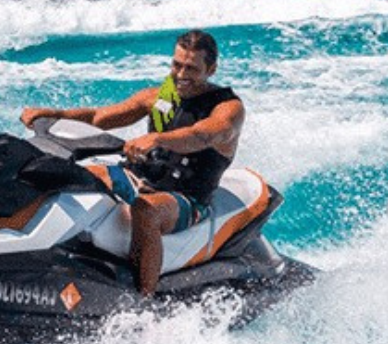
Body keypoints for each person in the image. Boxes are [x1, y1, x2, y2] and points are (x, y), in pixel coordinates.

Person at [17, 29, 244, 297]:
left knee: (146, 211)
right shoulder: (161, 97)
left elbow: (202, 135)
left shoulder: (228, 109)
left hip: (186, 197)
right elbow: (100, 116)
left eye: (191, 68)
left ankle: (143, 301)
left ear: (212, 69)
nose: (181, 75)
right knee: (69, 175)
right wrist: (53, 114)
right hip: (139, 178)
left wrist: (158, 139)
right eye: (177, 65)